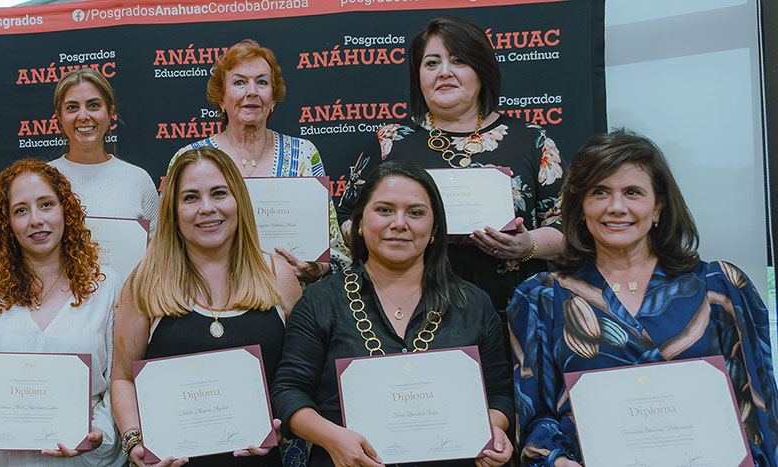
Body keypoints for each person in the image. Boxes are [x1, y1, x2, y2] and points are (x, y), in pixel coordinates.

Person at [509, 130, 778, 467]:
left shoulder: (720, 288)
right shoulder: (541, 299)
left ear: (658, 206)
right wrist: (556, 461)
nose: (616, 207)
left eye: (632, 192)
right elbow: (535, 419)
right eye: (600, 192)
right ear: (579, 208)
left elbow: (760, 414)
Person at [271, 161, 513, 467]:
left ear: (435, 228)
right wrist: (332, 438)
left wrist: (493, 427)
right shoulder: (320, 301)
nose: (399, 223)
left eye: (415, 212)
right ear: (359, 222)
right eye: (384, 210)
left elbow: (500, 393)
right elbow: (289, 391)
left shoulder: (473, 303)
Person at [335, 17, 566, 310]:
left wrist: (527, 245)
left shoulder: (531, 140)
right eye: (432, 63)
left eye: (458, 61)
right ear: (418, 76)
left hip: (511, 311)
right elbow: (344, 220)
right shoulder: (389, 141)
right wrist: (385, 235)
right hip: (405, 310)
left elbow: (565, 227)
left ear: (482, 70)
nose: (444, 72)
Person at [112, 147, 302, 466]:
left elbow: (298, 378)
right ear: (172, 210)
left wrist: (284, 423)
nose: (207, 208)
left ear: (238, 199)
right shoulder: (145, 283)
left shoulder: (278, 277)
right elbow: (122, 379)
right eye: (190, 198)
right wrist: (135, 442)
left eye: (218, 193)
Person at [0, 159, 124, 466]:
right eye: (21, 210)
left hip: (76, 459)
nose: (35, 219)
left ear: (66, 209)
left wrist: (99, 430)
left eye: (46, 204)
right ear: (7, 222)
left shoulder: (106, 286)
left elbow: (117, 378)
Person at [173, 39, 350, 283]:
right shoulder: (189, 159)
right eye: (239, 82)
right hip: (208, 300)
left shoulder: (304, 154)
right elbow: (166, 244)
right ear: (222, 99)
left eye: (262, 82)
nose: (252, 91)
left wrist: (317, 270)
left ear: (273, 98)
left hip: (291, 304)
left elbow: (335, 251)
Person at [47, 68, 159, 222]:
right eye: (72, 107)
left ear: (110, 113)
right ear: (59, 116)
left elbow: (157, 244)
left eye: (93, 105)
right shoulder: (44, 179)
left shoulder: (138, 180)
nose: (83, 116)